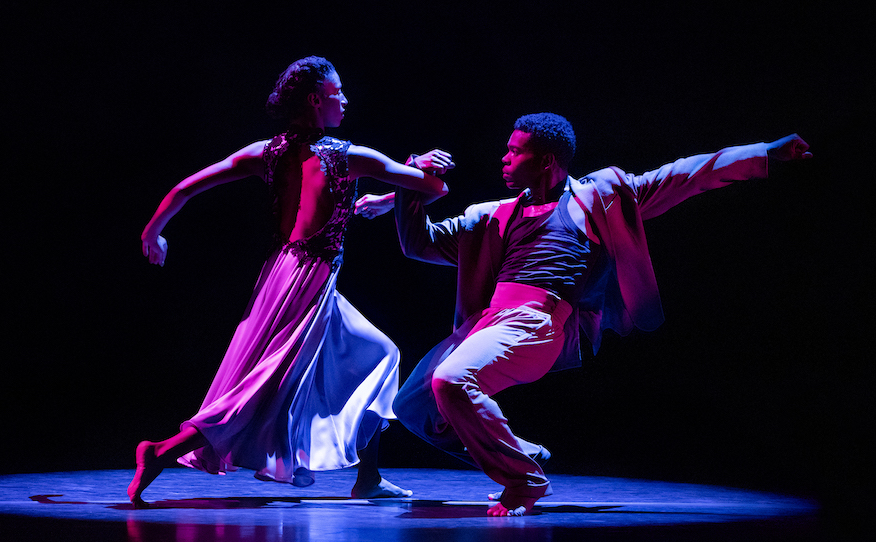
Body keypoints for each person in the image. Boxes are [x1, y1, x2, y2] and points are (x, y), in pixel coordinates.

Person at [356, 112, 811, 516]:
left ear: (548, 160)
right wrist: (409, 186)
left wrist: (765, 155)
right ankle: (519, 454)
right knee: (412, 406)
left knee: (451, 380)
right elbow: (419, 243)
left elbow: (684, 175)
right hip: (487, 323)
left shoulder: (598, 199)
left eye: (516, 152)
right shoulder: (491, 216)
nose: (505, 159)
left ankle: (524, 480)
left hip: (536, 323)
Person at [127, 56, 449, 508]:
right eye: (338, 93)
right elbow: (434, 189)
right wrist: (419, 165)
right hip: (311, 280)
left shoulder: (266, 152)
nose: (346, 100)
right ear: (317, 100)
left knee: (379, 354)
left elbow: (186, 188)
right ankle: (160, 451)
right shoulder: (348, 156)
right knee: (264, 384)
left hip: (280, 275)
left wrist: (152, 232)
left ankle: (370, 477)